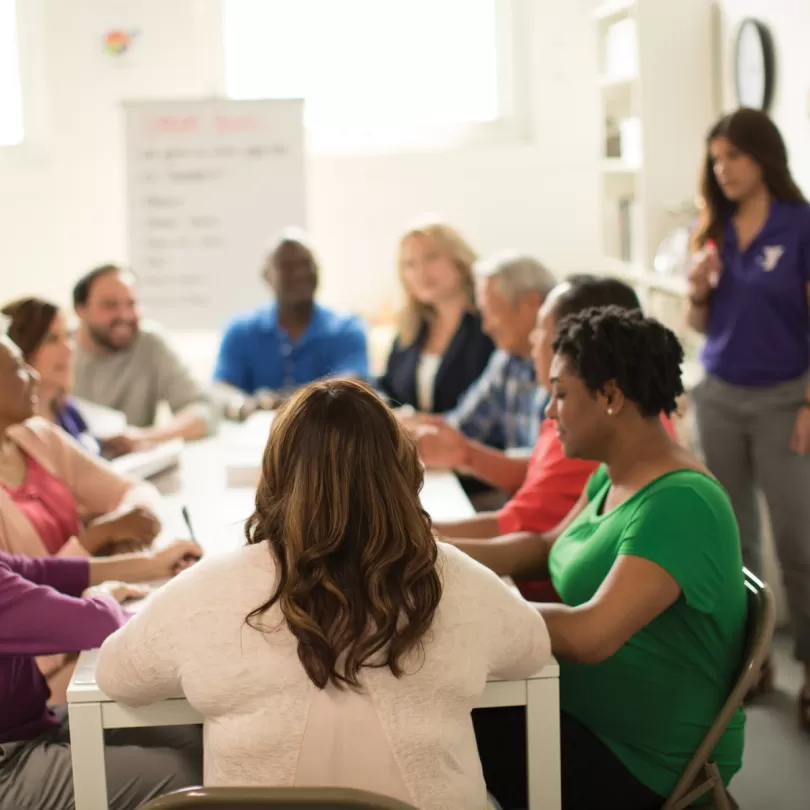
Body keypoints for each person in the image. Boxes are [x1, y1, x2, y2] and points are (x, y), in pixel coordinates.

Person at [95, 379, 551, 810]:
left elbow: (117, 675)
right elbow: (533, 649)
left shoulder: (211, 589)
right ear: (401, 472)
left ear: (275, 474)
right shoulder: (449, 577)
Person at [463, 307, 746, 810]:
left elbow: (589, 635)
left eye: (561, 393)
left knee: (439, 717)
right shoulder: (614, 472)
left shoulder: (680, 502)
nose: (549, 411)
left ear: (611, 396)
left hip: (642, 763)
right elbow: (545, 546)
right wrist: (427, 552)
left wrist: (467, 606)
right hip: (578, 716)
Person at [686, 108, 810, 726]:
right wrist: (699, 288)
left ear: (764, 156)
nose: (723, 169)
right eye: (715, 159)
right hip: (721, 396)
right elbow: (703, 324)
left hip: (785, 399)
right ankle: (754, 664)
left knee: (798, 541)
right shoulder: (715, 229)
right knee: (734, 541)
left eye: (733, 155)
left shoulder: (801, 225)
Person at [435, 275, 671, 600]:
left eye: (542, 329)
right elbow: (544, 542)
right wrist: (427, 545)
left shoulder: (597, 431)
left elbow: (589, 632)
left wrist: (426, 545)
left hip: (546, 605)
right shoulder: (602, 438)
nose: (533, 339)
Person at [0, 547, 203, 810]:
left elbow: (38, 571)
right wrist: (102, 595)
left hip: (31, 724)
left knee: (191, 738)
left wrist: (151, 564)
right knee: (187, 778)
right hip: (9, 762)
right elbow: (99, 623)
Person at [414, 251, 555, 493]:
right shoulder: (507, 359)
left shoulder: (565, 372)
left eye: (492, 311)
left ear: (531, 303)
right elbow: (462, 425)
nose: (487, 326)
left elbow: (546, 475)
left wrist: (465, 455)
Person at [213, 230, 369, 419]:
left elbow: (353, 387)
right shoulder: (240, 330)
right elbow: (221, 389)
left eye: (306, 264)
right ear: (266, 276)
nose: (299, 272)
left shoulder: (346, 329)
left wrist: (281, 402)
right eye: (286, 266)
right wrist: (244, 405)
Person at [73, 264, 217, 454]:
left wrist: (144, 437)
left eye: (131, 304)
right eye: (110, 305)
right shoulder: (59, 347)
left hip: (133, 469)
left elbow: (204, 411)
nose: (124, 315)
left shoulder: (150, 343)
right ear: (80, 309)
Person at [376, 222, 494, 413]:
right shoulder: (411, 327)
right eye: (410, 264)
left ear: (459, 258)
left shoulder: (488, 325)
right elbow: (388, 389)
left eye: (431, 257)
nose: (421, 271)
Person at [1, 298, 98, 453]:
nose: (68, 349)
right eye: (51, 340)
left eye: (68, 336)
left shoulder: (67, 410)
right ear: (19, 351)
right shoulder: (11, 433)